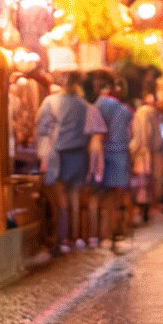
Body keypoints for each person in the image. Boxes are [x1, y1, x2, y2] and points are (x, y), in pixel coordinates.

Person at [35, 72, 103, 254]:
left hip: (59, 155)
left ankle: (63, 238)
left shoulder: (51, 102)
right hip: (80, 155)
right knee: (74, 197)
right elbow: (92, 131)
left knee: (61, 198)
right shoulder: (84, 105)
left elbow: (41, 128)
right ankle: (76, 237)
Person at [90, 71, 135, 251]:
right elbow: (130, 134)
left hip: (99, 155)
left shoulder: (94, 106)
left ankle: (98, 235)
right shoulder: (123, 109)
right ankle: (110, 234)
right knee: (114, 199)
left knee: (97, 197)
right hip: (119, 155)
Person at [130, 88, 163, 224]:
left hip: (143, 153)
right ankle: (145, 212)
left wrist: (134, 149)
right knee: (147, 184)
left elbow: (142, 136)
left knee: (142, 184)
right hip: (150, 153)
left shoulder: (143, 112)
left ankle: (143, 211)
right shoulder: (152, 113)